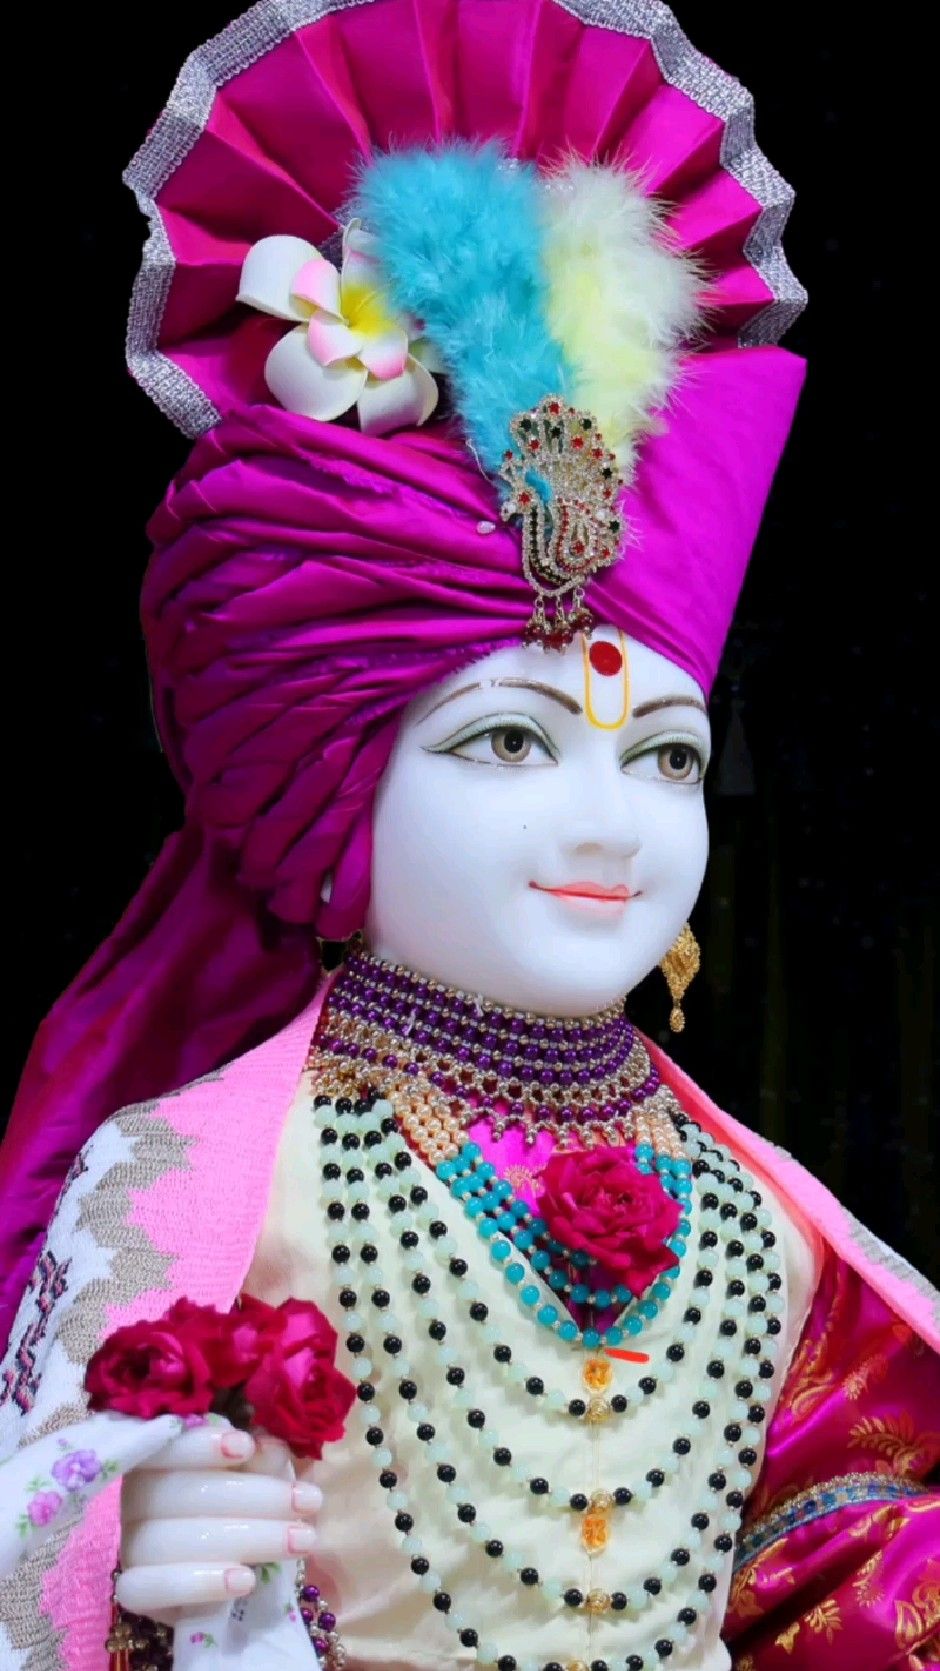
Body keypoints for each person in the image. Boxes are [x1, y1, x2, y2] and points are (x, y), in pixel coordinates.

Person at [1, 2, 936, 1668]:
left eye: (664, 759)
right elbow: (50, 1539)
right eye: (507, 741)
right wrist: (121, 1568)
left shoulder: (763, 1216)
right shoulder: (184, 1186)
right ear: (327, 795)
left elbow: (839, 1571)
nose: (610, 819)